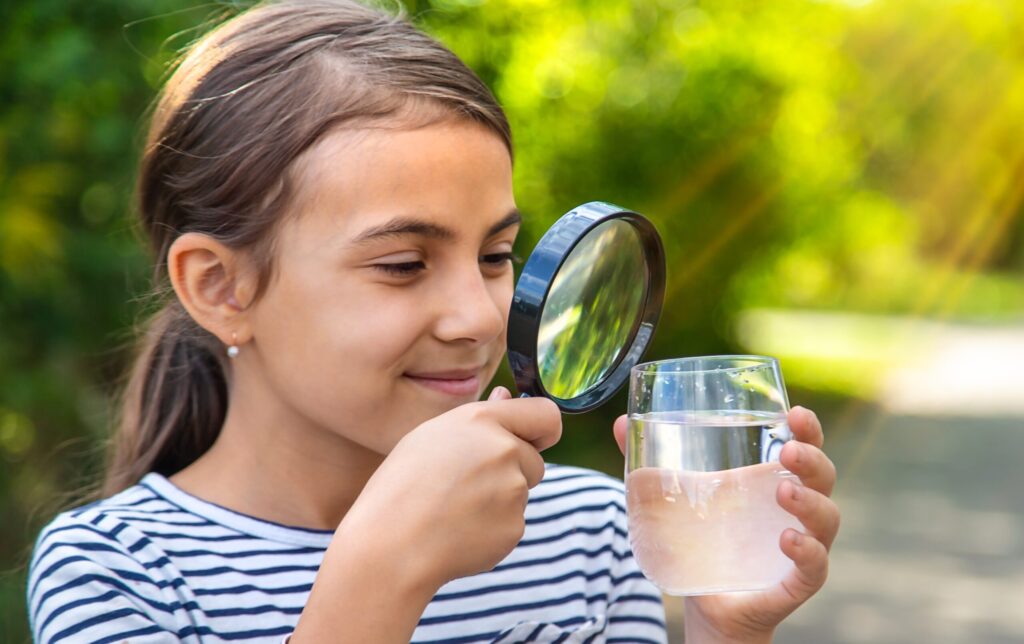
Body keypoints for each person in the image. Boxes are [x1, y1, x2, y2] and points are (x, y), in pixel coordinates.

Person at [26, 1, 840, 642]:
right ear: (221, 288)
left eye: (495, 255)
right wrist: (382, 575)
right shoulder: (118, 571)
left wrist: (723, 633)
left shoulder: (591, 532)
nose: (478, 318)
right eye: (403, 264)